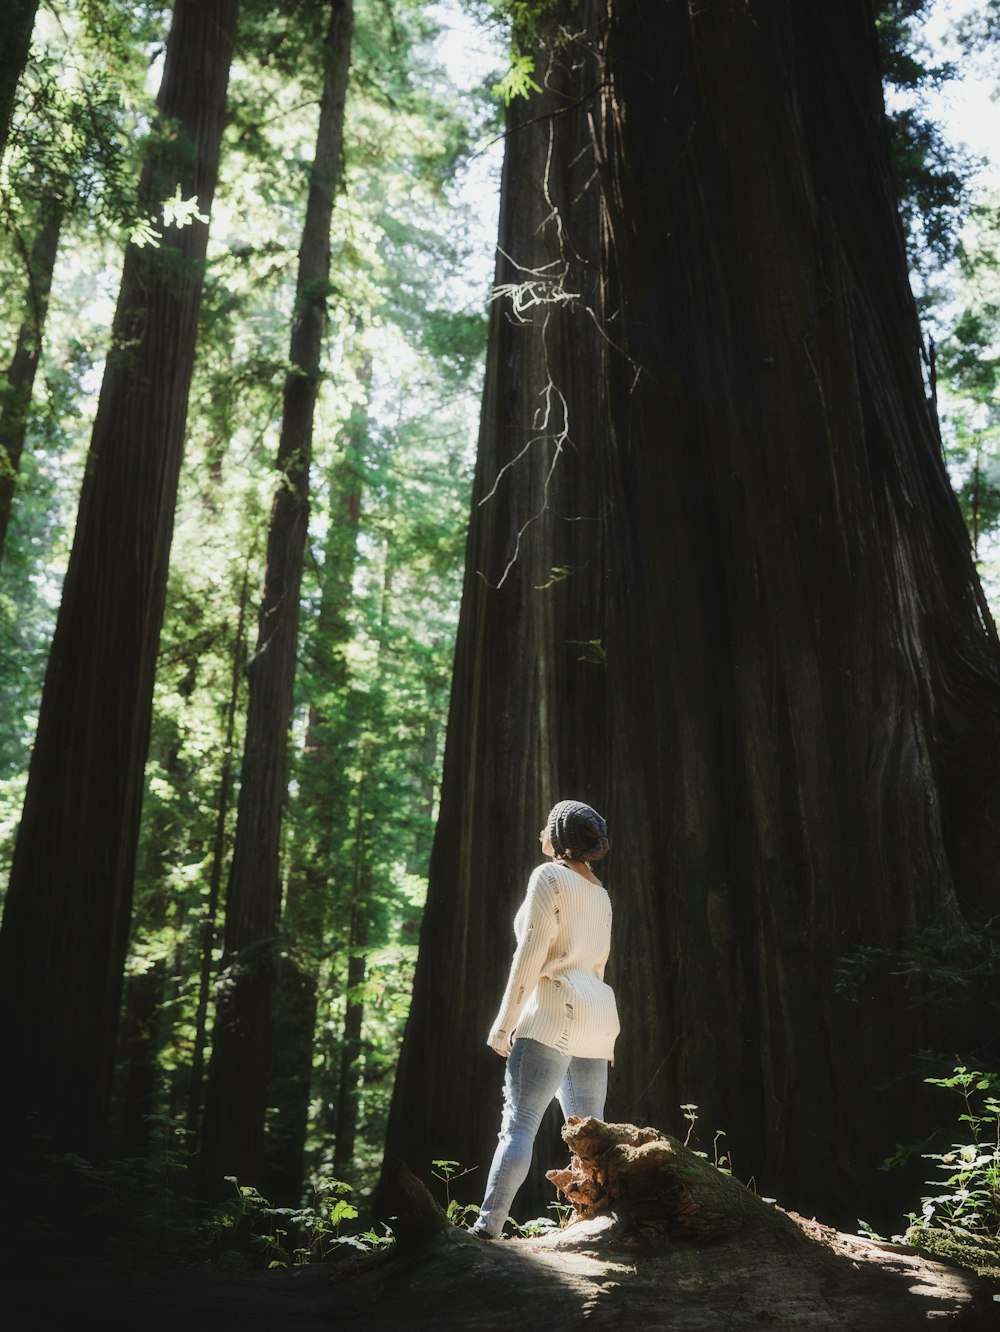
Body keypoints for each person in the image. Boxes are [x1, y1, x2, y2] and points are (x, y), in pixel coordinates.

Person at [470, 799, 620, 1239]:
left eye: (547, 828)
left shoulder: (548, 878)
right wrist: (606, 1042)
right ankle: (601, 1230)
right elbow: (598, 966)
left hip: (554, 1014)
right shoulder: (600, 893)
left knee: (518, 1126)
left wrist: (504, 1024)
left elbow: (530, 955)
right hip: (596, 1019)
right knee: (593, 1138)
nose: (540, 833)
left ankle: (485, 1230)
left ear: (559, 840)